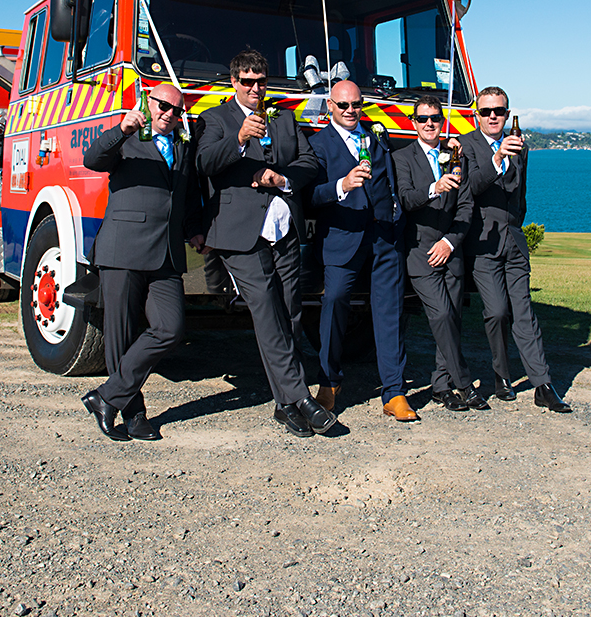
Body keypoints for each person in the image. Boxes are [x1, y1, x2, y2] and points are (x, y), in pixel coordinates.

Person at [196, 49, 335, 438]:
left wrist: (283, 179)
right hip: (239, 233)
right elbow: (205, 163)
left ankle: (283, 405)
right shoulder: (216, 118)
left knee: (290, 311)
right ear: (233, 82)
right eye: (247, 81)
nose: (255, 88)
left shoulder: (285, 118)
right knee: (266, 312)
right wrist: (239, 139)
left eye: (260, 81)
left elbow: (310, 163)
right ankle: (301, 397)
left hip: (283, 227)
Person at [81, 83, 206, 441]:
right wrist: (122, 130)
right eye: (163, 105)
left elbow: (187, 196)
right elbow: (93, 160)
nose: (169, 113)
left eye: (177, 110)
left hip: (165, 253)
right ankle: (134, 414)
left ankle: (106, 397)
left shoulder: (183, 147)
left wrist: (194, 229)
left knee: (170, 328)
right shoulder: (126, 137)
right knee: (120, 336)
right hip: (123, 249)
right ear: (148, 103)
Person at [308, 80, 416, 422]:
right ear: (330, 106)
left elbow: (388, 182)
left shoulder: (374, 139)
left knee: (390, 310)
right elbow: (309, 195)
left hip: (384, 236)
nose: (351, 111)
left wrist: (395, 213)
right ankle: (328, 383)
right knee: (334, 302)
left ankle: (395, 392)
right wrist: (341, 185)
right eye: (343, 105)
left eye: (356, 105)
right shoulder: (317, 144)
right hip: (342, 237)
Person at [458, 86, 571, 413]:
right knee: (496, 311)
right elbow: (471, 188)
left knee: (524, 313)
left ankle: (543, 384)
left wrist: (516, 227)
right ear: (476, 114)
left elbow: (520, 196)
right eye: (486, 111)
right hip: (482, 239)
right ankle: (501, 373)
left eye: (499, 111)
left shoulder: (521, 147)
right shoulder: (466, 145)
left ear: (508, 114)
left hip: (513, 238)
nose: (493, 117)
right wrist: (496, 160)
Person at [395, 96, 489, 412]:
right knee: (441, 314)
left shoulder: (455, 156)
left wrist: (450, 242)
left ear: (441, 121)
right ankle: (464, 384)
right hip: (420, 251)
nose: (430, 124)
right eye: (423, 119)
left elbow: (466, 207)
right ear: (413, 123)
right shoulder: (402, 158)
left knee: (452, 320)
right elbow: (406, 200)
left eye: (435, 118)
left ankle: (441, 386)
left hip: (451, 250)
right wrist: (435, 187)